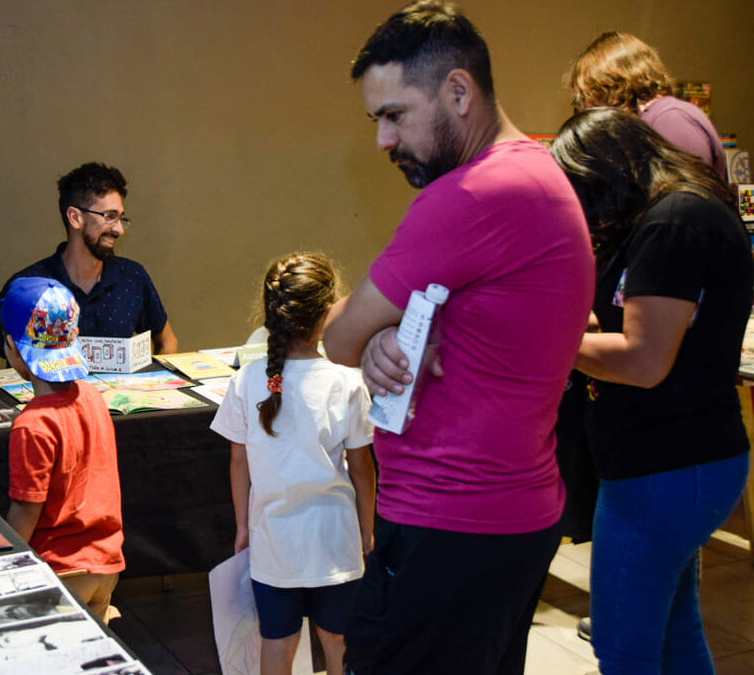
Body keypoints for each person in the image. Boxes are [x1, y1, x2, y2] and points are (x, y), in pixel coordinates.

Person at [320, 3, 595, 673]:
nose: (383, 140)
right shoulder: (534, 171)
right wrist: (390, 328)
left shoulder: (472, 195)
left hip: (453, 520)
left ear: (457, 91)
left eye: (393, 115)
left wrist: (373, 327)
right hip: (507, 512)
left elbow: (336, 336)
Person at [550, 107, 751, 675]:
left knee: (622, 645)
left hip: (666, 465)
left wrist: (549, 342)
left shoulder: (674, 222)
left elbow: (643, 360)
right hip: (671, 461)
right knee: (675, 636)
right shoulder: (676, 214)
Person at [210, 251, 377, 675]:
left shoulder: (248, 380)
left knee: (277, 645)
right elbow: (362, 468)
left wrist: (244, 526)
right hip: (335, 543)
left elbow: (238, 462)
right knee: (339, 644)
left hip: (273, 546)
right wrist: (368, 528)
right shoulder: (346, 382)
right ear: (326, 314)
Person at [0, 162, 177, 373]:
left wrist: (151, 390)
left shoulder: (132, 277)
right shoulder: (28, 286)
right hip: (44, 406)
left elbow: (168, 342)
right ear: (75, 218)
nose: (119, 229)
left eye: (121, 218)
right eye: (110, 217)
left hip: (112, 405)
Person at [1, 276, 125, 624]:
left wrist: (3, 562)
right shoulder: (91, 396)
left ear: (12, 347)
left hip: (60, 572)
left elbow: (26, 509)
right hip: (105, 564)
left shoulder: (33, 424)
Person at [567, 31, 727, 180]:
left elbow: (687, 202)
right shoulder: (646, 124)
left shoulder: (671, 119)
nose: (586, 108)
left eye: (587, 96)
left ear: (612, 86)